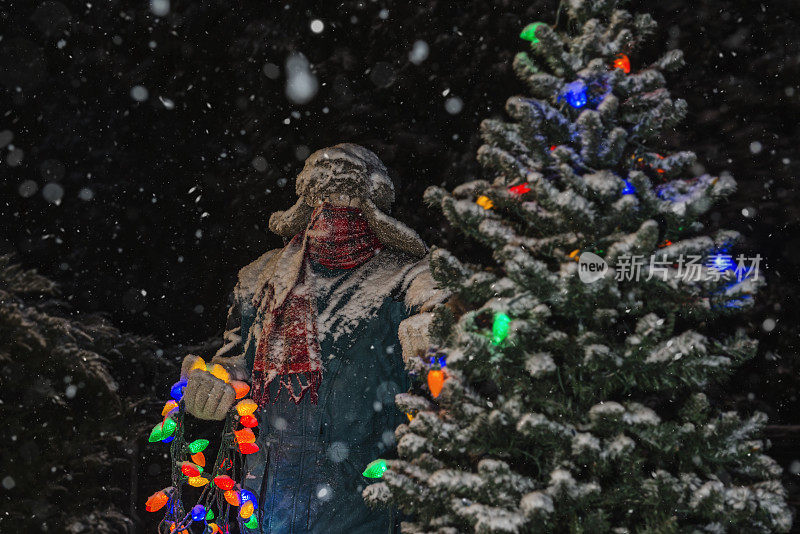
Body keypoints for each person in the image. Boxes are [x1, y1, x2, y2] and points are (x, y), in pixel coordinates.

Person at [179, 144, 447, 533]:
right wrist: (211, 381)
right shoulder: (263, 279)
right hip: (265, 500)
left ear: (373, 202)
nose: (333, 209)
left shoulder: (403, 276)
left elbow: (442, 309)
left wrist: (434, 328)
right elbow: (239, 359)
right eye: (322, 195)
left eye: (348, 196)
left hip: (364, 505)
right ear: (305, 200)